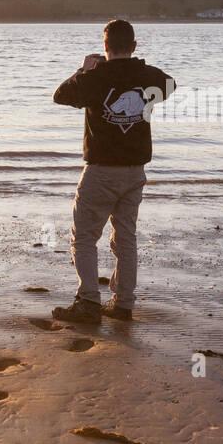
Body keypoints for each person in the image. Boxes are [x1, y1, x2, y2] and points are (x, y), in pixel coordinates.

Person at [50, 20, 175, 324]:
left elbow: (60, 96)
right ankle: (123, 304)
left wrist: (84, 70)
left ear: (105, 47)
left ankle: (89, 303)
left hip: (101, 171)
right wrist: (140, 72)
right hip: (135, 172)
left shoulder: (94, 78)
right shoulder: (147, 77)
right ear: (133, 45)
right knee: (126, 239)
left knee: (83, 238)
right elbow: (170, 85)